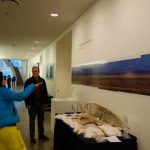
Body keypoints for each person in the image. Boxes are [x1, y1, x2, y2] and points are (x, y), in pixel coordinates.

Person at [0, 71, 42, 150]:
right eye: (3, 78)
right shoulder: (3, 91)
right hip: (7, 128)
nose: (4, 80)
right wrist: (33, 86)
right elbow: (20, 96)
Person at [24, 66, 49, 143]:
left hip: (40, 104)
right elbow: (25, 93)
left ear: (39, 71)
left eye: (36, 71)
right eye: (33, 71)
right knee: (32, 121)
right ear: (32, 72)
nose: (35, 72)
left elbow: (45, 92)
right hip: (32, 104)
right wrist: (27, 104)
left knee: (41, 120)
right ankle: (32, 137)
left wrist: (45, 102)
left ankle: (41, 135)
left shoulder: (42, 81)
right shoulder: (28, 81)